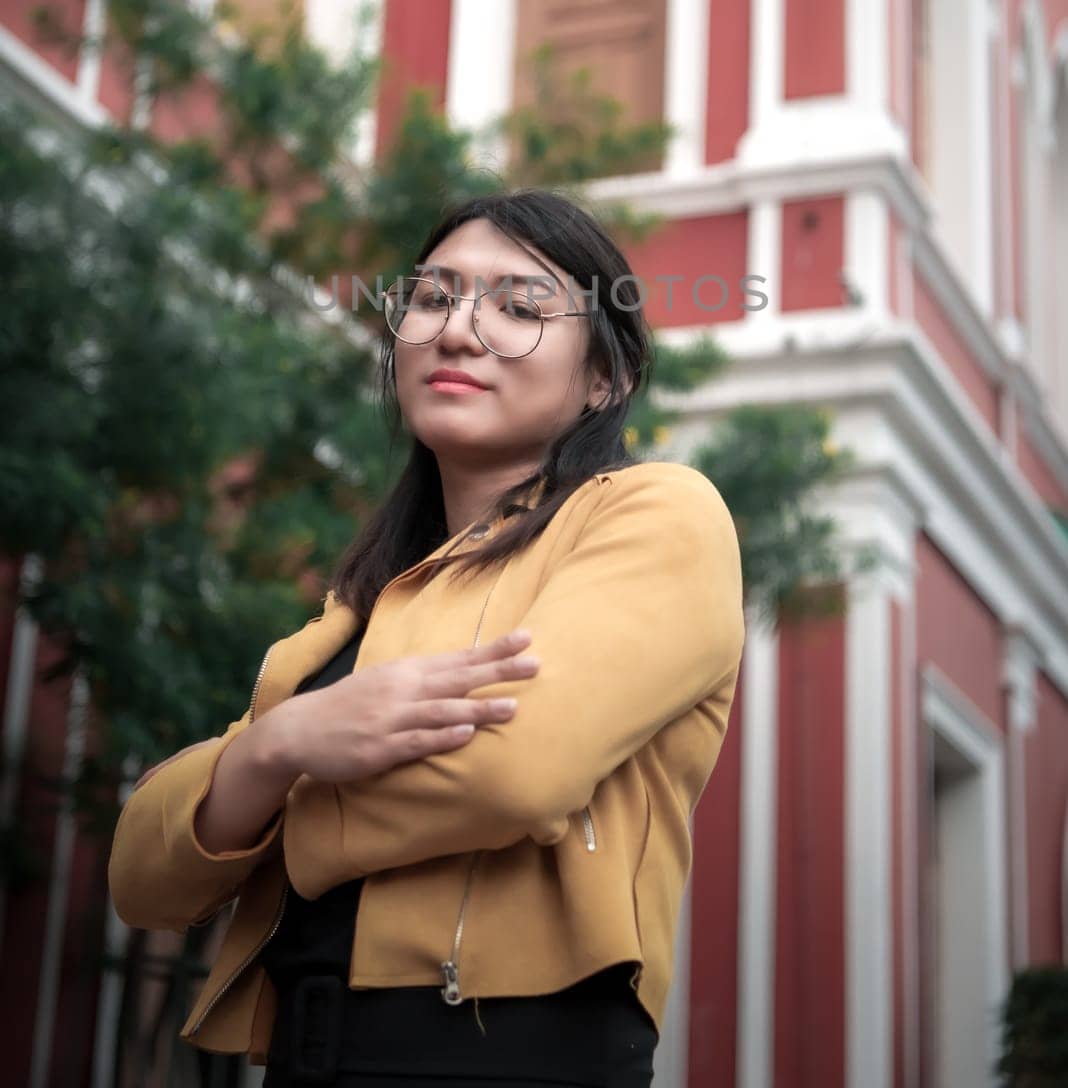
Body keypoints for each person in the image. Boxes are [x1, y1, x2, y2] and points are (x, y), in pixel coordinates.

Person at [108, 187, 746, 1087]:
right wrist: (286, 740)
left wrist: (262, 786)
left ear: (606, 378)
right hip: (306, 1051)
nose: (457, 331)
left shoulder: (659, 513)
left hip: (501, 1053)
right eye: (434, 297)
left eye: (522, 307)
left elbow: (512, 772)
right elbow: (143, 874)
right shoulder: (359, 604)